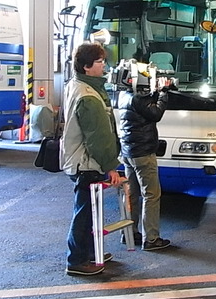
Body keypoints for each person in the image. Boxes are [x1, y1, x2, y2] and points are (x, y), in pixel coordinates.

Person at [61, 42, 122, 276]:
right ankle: (76, 260)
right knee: (84, 212)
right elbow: (98, 137)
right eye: (99, 61)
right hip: (86, 163)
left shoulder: (76, 85)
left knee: (88, 210)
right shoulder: (89, 96)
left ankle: (87, 253)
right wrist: (111, 167)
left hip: (79, 160)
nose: (104, 65)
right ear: (87, 67)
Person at [118, 68, 172, 252]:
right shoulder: (138, 99)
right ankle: (151, 238)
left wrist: (155, 91)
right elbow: (156, 113)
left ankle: (129, 233)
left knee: (132, 194)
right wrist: (163, 92)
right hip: (143, 153)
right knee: (151, 194)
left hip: (128, 152)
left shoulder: (124, 96)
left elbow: (146, 107)